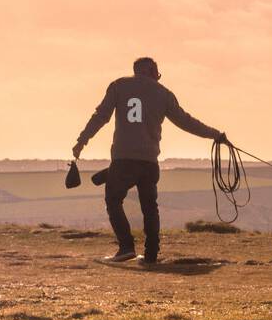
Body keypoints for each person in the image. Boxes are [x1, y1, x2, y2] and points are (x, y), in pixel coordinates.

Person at [73, 57, 227, 264]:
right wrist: (215, 134)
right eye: (157, 72)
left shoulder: (118, 86)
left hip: (123, 159)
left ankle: (126, 247)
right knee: (149, 207)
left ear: (136, 71)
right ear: (152, 70)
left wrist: (82, 141)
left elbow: (100, 116)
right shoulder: (164, 94)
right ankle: (151, 255)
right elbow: (186, 121)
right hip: (149, 162)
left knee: (113, 200)